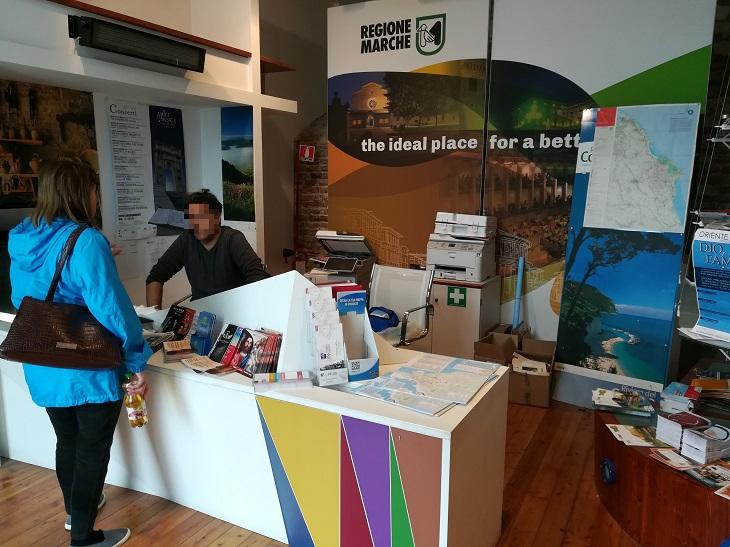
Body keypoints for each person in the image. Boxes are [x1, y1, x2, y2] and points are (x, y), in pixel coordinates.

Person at [8, 158, 151, 547]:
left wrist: (97, 258)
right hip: (86, 366)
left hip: (43, 361)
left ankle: (76, 512)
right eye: (92, 189)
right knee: (92, 449)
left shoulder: (22, 238)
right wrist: (136, 358)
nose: (95, 196)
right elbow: (112, 309)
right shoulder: (86, 240)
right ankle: (85, 538)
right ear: (80, 192)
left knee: (67, 441)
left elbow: (25, 296)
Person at [145, 189, 269, 307]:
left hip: (233, 309)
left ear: (217, 217)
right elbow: (156, 276)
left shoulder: (232, 238)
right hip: (200, 313)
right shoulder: (186, 239)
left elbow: (257, 276)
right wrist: (153, 315)